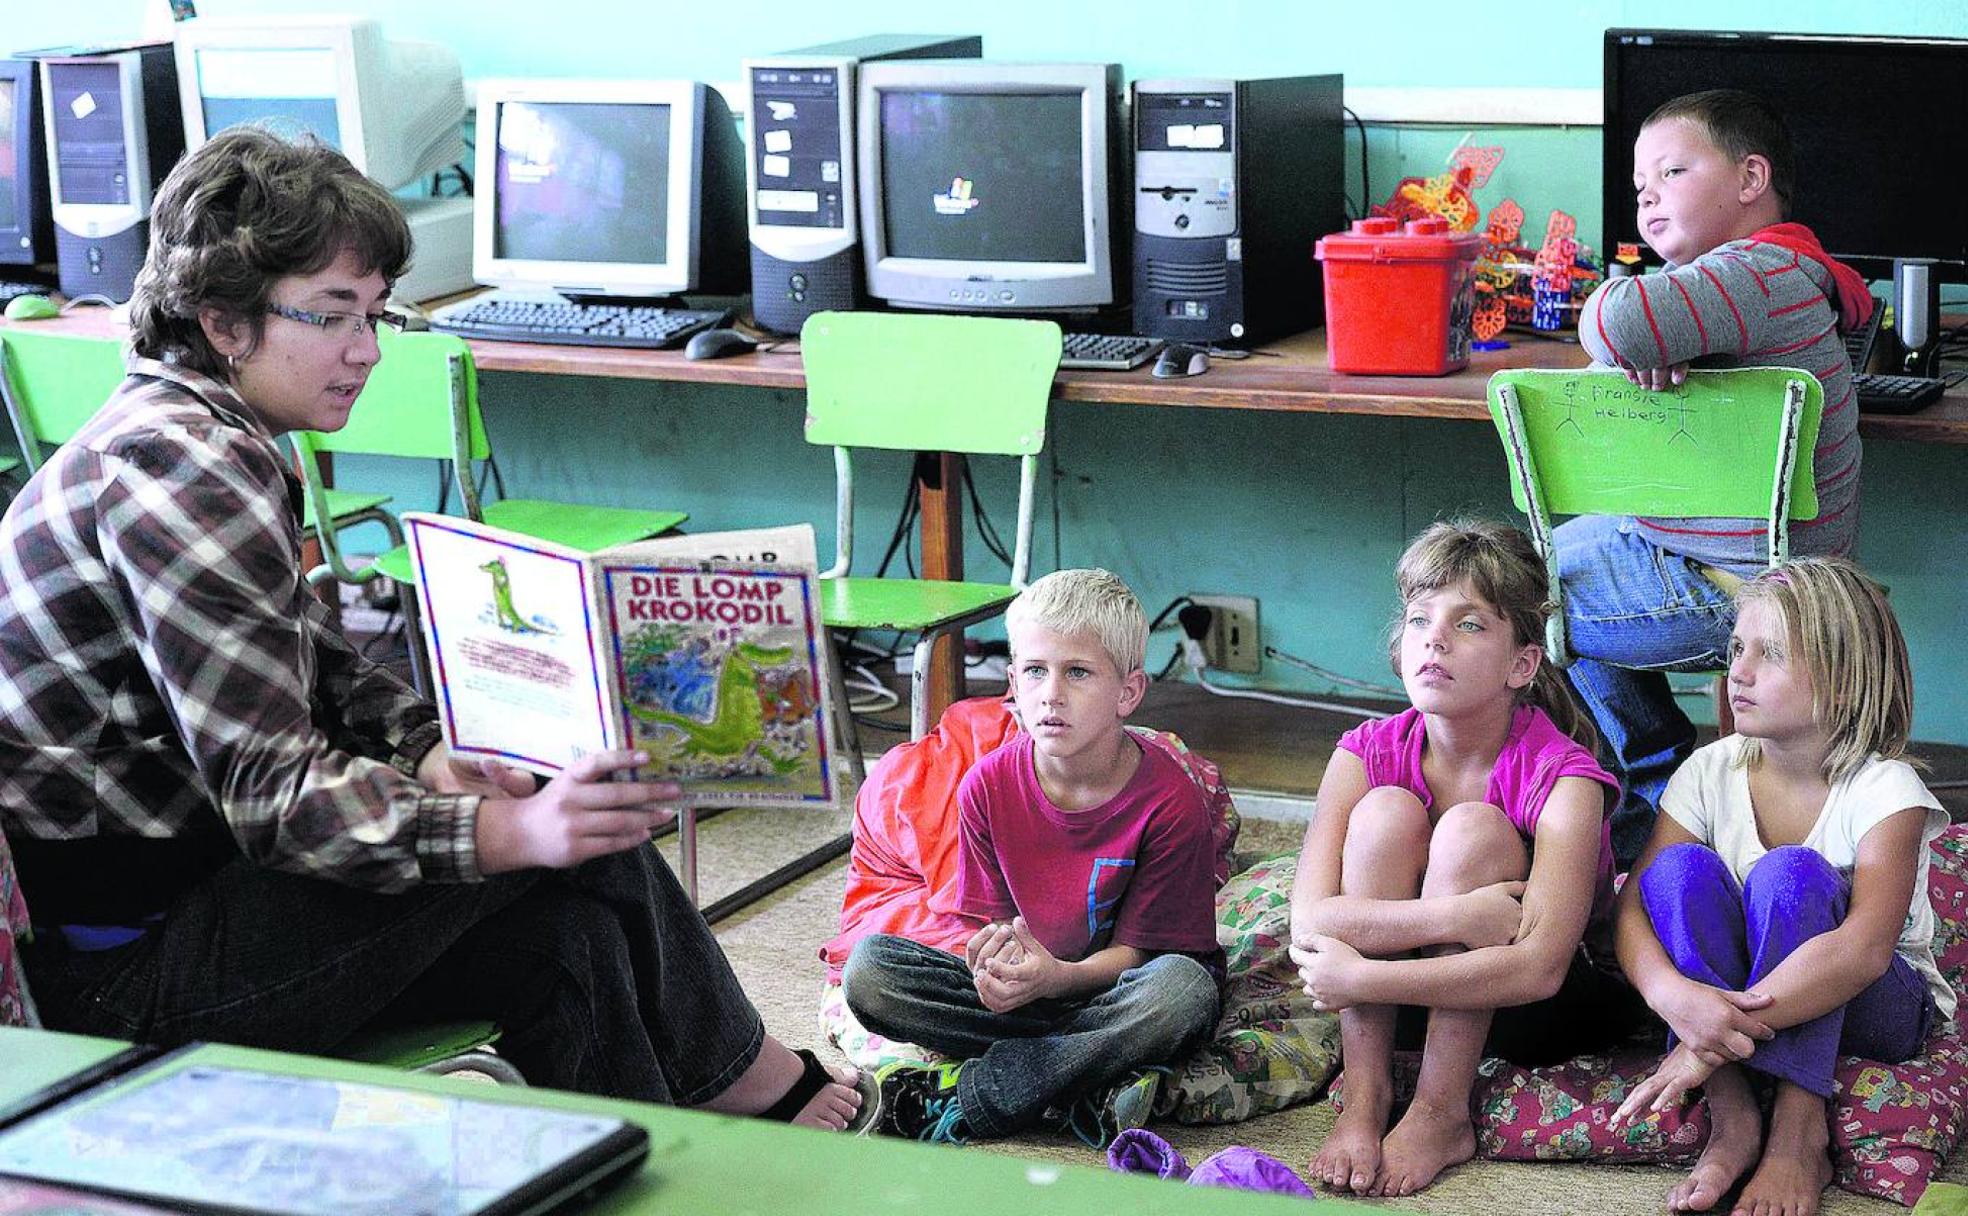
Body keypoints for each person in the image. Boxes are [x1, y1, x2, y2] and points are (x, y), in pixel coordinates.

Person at [0, 127, 859, 1128]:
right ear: (222, 321)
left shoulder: (186, 429)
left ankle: (677, 1154)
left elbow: (308, 656)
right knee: (563, 832)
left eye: (376, 315)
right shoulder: (184, 468)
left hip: (171, 918)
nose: (365, 350)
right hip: (121, 985)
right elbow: (276, 800)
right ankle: (750, 1084)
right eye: (331, 317)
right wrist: (505, 828)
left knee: (566, 936)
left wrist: (429, 746)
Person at [1562, 88, 1876, 867]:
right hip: (1764, 567)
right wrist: (1655, 332)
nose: (1648, 195)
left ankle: (1652, 786)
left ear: (1750, 180)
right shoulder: (1777, 276)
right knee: (1558, 549)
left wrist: (1623, 310)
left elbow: (1614, 325)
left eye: (1672, 170)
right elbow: (1636, 338)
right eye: (1641, 186)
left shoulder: (1753, 273)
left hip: (1747, 591)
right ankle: (1664, 769)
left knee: (1510, 592)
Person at [1291, 520, 1644, 1197]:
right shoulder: (1363, 751)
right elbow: (1310, 926)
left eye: (1471, 624)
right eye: (1421, 619)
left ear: (1523, 664)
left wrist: (1363, 977)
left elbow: (1539, 969)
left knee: (1473, 831)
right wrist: (1456, 916)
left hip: (1530, 1007)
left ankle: (1438, 1111)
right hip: (1396, 993)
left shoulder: (1565, 776)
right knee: (1386, 814)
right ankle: (1365, 1101)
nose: (1436, 639)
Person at [1610, 559, 1946, 1216]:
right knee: (1676, 874)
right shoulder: (1709, 770)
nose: (1739, 670)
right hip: (1740, 999)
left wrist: (1705, 1042)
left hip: (1875, 1006)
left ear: (1846, 684)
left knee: (1789, 876)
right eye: (1737, 648)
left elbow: (1863, 953)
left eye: (1773, 655)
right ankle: (1734, 1121)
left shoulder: (1886, 790)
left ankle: (1798, 1130)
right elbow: (1632, 911)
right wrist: (1671, 995)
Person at [840, 569, 1222, 1146]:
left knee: (1183, 994)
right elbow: (993, 927)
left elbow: (1145, 956)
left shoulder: (1170, 800)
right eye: (1037, 671)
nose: (1052, 693)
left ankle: (979, 1096)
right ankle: (1076, 1074)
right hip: (1038, 1001)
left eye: (1078, 672)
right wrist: (1001, 974)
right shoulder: (986, 786)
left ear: (1128, 692)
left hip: (1121, 987)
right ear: (1013, 682)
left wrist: (1061, 978)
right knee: (870, 971)